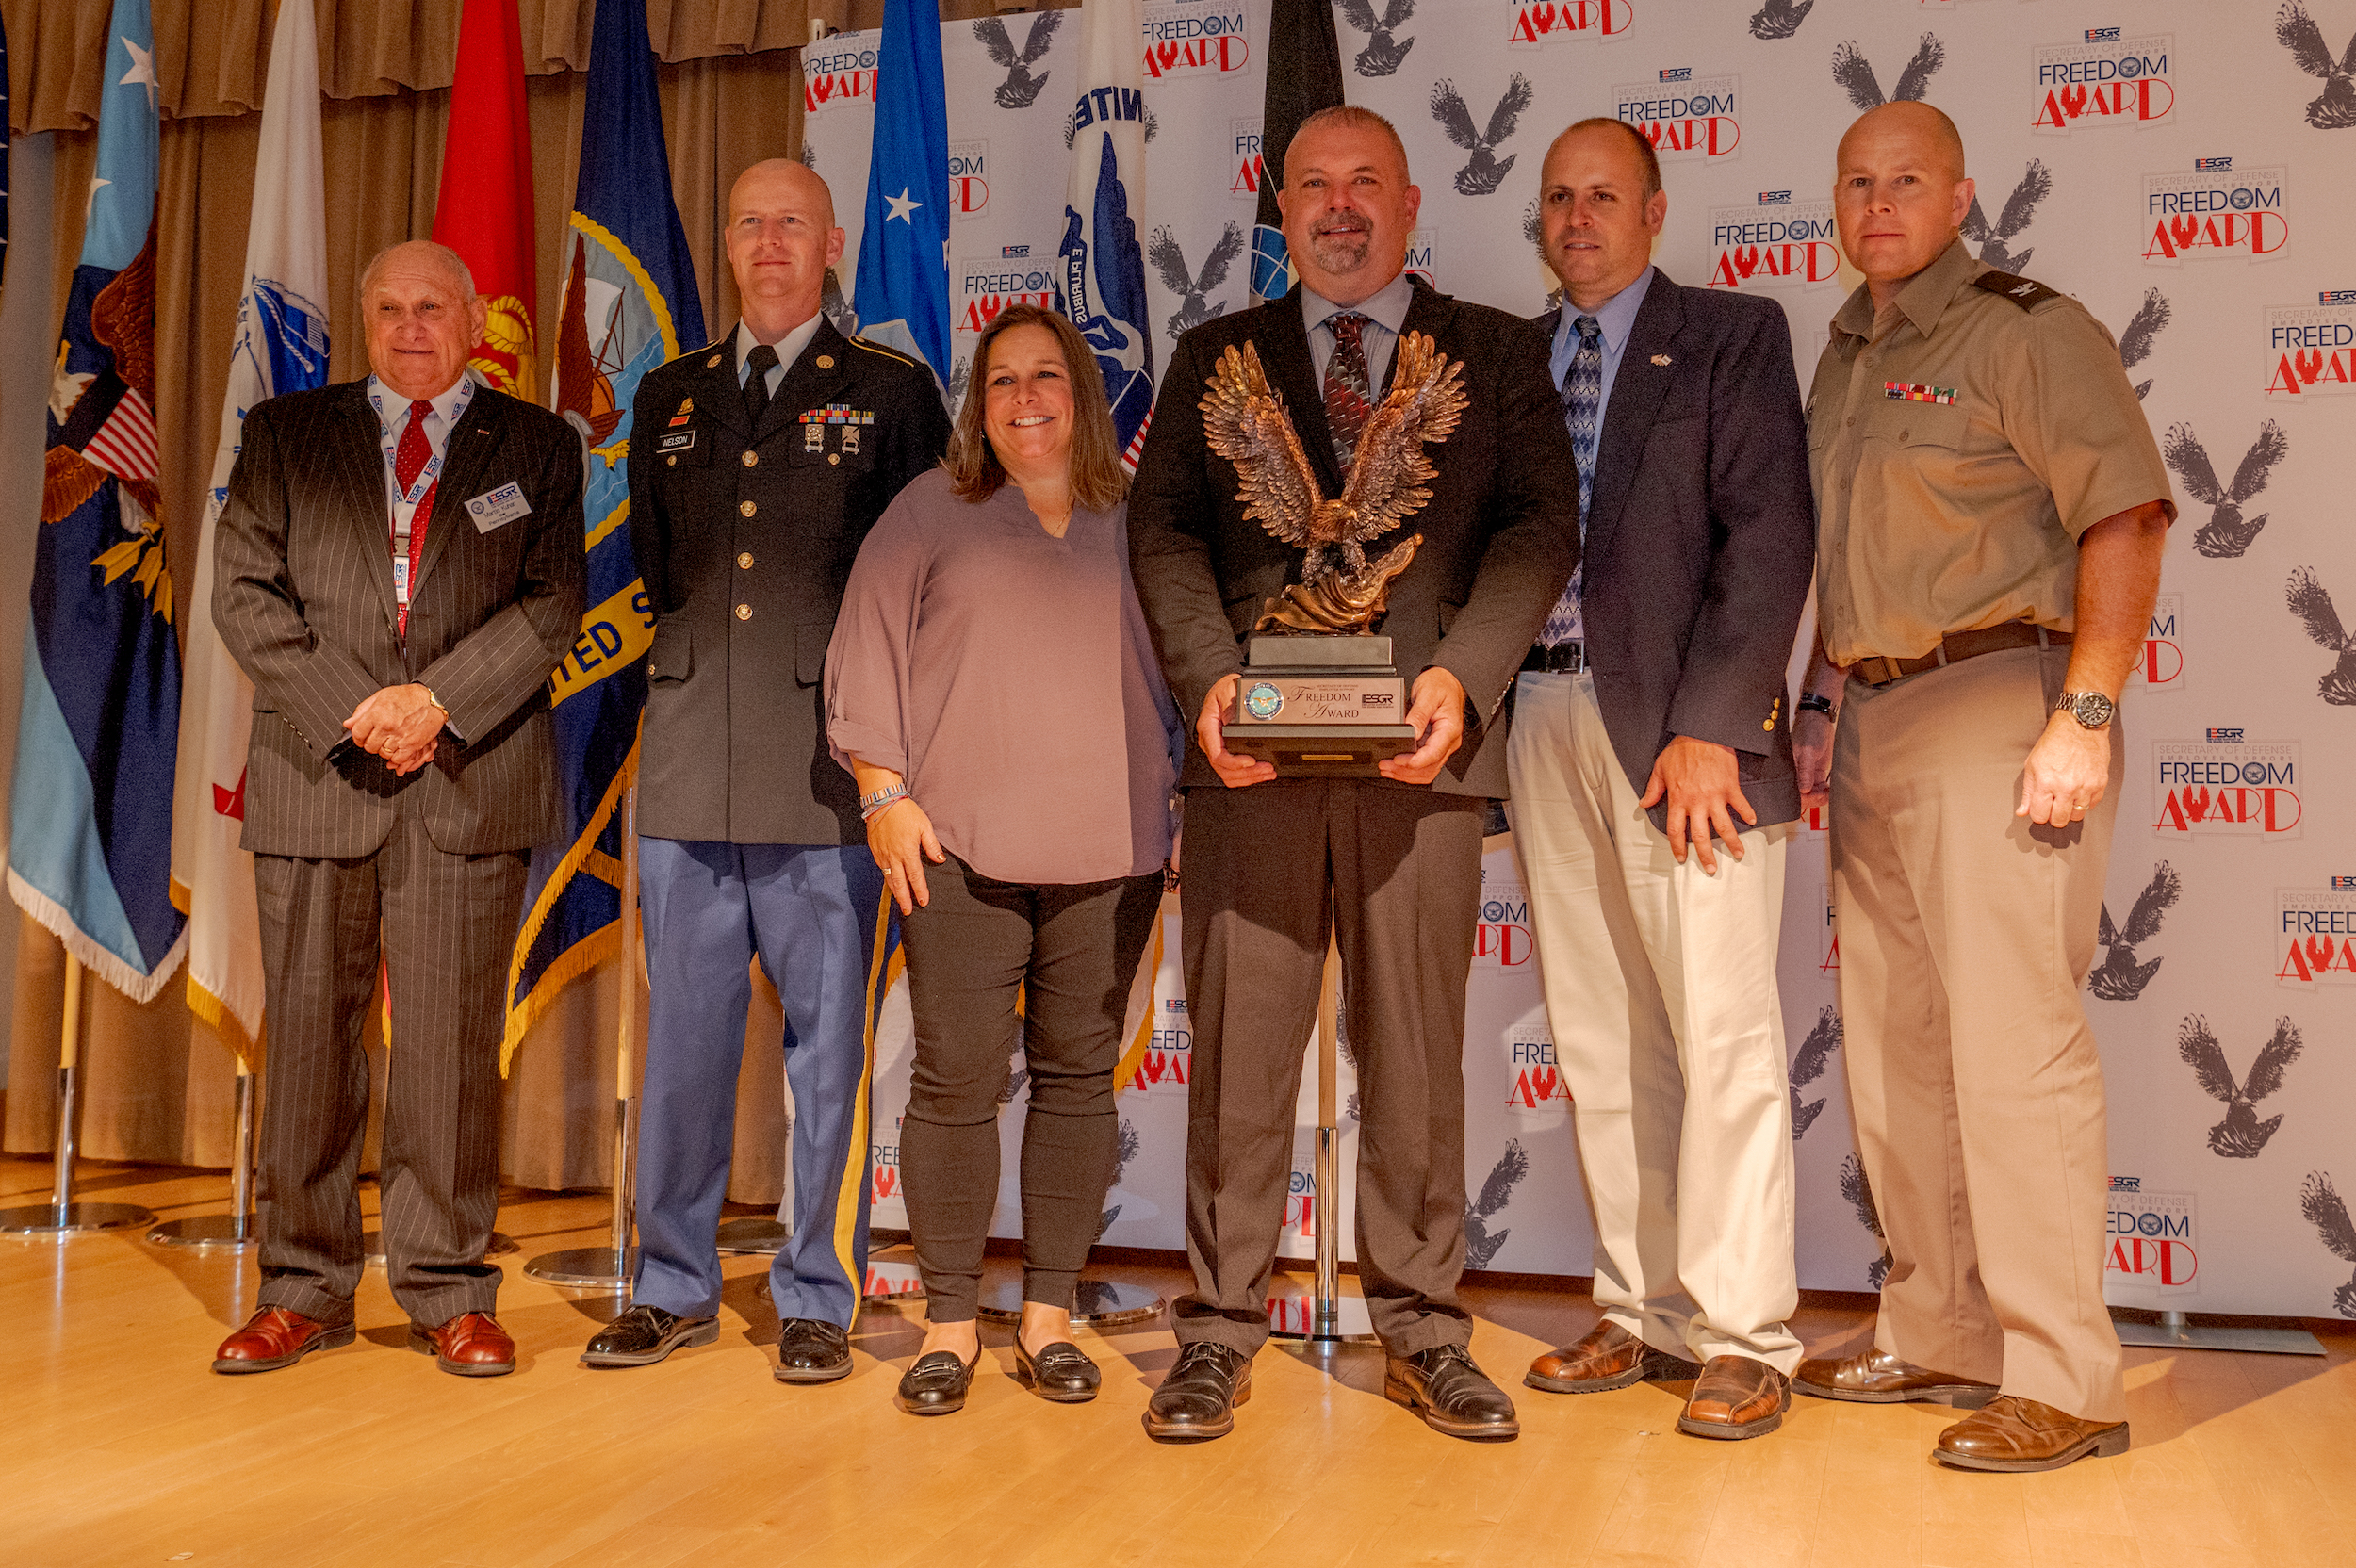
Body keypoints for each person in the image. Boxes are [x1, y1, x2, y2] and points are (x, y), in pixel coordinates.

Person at [1127, 106, 1579, 1443]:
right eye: (1312, 184)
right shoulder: (1216, 358)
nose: (1338, 206)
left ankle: (1426, 1330)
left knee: (1419, 1064)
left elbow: (1541, 524)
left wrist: (1469, 674)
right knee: (1241, 1064)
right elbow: (1162, 540)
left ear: (1411, 200)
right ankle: (1216, 1329)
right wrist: (1214, 687)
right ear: (1280, 208)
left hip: (1420, 766)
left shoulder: (1491, 352)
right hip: (1250, 772)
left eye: (1363, 182)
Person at [1789, 102, 2172, 1472]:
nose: (1878, 203)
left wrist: (2086, 712)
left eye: (1906, 181)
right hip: (1877, 715)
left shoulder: (2023, 330)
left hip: (2005, 703)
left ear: (1959, 198)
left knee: (2015, 1051)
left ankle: (2067, 1378)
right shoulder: (1844, 354)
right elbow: (1845, 556)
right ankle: (1941, 1331)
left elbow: (2123, 515)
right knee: (1895, 1051)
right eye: (1856, 182)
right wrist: (1825, 699)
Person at [581, 160, 952, 1382]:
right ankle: (672, 1285)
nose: (769, 240)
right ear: (727, 248)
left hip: (828, 777)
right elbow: (657, 567)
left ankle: (816, 1294)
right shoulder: (672, 395)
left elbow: (926, 586)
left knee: (828, 1054)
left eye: (792, 221)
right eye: (748, 223)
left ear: (833, 241)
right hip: (688, 766)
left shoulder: (894, 395)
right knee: (683, 1046)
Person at [209, 240, 586, 1378]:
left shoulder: (538, 443)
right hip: (320, 775)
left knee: (450, 1053)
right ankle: (301, 1286)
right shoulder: (284, 435)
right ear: (362, 321)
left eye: (433, 306)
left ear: (475, 318)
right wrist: (359, 707)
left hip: (466, 779)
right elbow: (242, 590)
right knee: (312, 1047)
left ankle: (446, 1285)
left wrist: (435, 702)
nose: (411, 326)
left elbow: (554, 599)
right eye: (389, 307)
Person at [1508, 119, 1816, 1440]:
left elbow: (1770, 532)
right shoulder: (1512, 360)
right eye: (1560, 199)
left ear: (1654, 211)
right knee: (1600, 1036)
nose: (1579, 218)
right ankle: (1645, 1314)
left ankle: (1747, 1335)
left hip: (1686, 740)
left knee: (1727, 1038)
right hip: (1541, 718)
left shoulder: (1735, 334)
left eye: (1604, 197)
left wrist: (1716, 722)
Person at [826, 304, 1181, 1416]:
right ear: (978, 406)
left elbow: (1187, 667)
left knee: (1078, 1077)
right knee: (954, 1080)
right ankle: (945, 1320)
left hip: (1112, 847)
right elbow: (863, 653)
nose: (1024, 397)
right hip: (958, 851)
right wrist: (883, 796)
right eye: (1000, 381)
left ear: (1081, 391)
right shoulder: (931, 509)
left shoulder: (1142, 520)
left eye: (1045, 377)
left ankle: (1048, 1314)